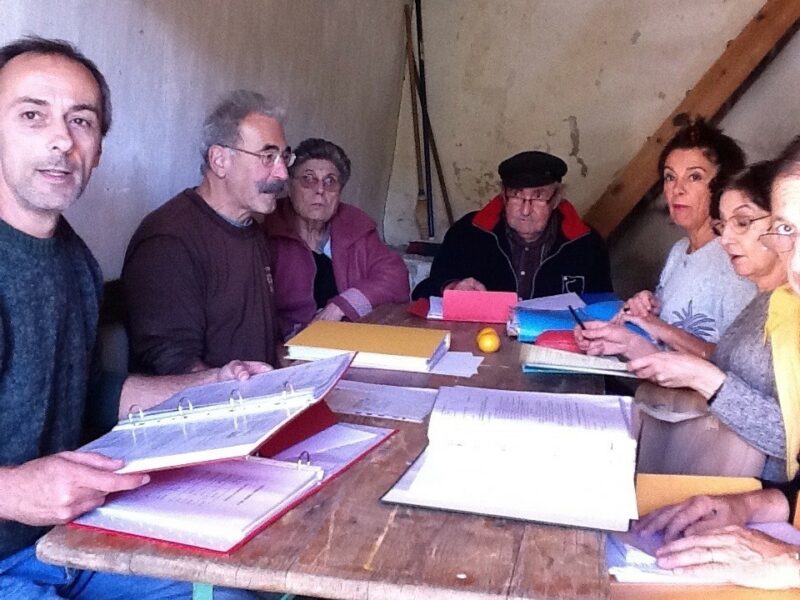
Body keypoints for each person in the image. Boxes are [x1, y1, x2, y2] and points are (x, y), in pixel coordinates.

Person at [0, 36, 267, 599]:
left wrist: (209, 385)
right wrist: (13, 491)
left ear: (98, 148)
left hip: (69, 539)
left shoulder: (75, 262)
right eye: (31, 115)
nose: (61, 140)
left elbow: (80, 394)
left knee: (233, 592)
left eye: (82, 122)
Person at [623, 137, 800, 590]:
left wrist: (791, 564)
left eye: (746, 223)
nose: (795, 262)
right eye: (787, 231)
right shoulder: (781, 308)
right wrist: (756, 505)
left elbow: (783, 436)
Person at [580, 162, 790, 479]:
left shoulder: (791, 311)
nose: (725, 239)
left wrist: (705, 378)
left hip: (761, 498)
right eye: (723, 226)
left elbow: (790, 438)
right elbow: (723, 374)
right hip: (717, 475)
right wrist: (634, 345)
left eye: (743, 223)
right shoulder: (763, 302)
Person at [123, 90, 289, 375]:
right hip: (208, 412)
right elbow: (175, 369)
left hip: (261, 401)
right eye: (268, 156)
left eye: (284, 157)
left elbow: (266, 340)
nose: (283, 174)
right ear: (220, 160)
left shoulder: (253, 231)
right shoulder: (169, 241)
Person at [613, 118, 755, 358]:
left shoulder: (736, 259)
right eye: (670, 177)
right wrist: (649, 305)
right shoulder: (680, 250)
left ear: (723, 186)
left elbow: (739, 363)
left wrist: (662, 329)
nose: (677, 189)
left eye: (694, 177)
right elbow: (666, 324)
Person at [411, 150, 613, 300]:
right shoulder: (467, 233)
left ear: (556, 199)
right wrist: (452, 288)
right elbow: (423, 292)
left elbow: (604, 305)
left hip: (555, 348)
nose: (525, 210)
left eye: (538, 197)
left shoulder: (586, 244)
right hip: (478, 344)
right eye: (517, 196)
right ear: (504, 197)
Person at [263, 138, 409, 338]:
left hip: (345, 343)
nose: (320, 190)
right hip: (286, 350)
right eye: (308, 178)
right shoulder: (268, 227)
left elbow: (395, 278)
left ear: (339, 191)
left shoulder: (354, 225)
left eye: (330, 181)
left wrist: (342, 306)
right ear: (290, 186)